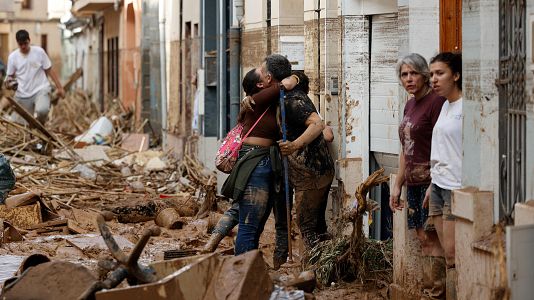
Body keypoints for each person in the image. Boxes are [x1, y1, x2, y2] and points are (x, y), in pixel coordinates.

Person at [220, 55, 294, 260]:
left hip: (265, 164)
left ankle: (248, 272)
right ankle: (240, 273)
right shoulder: (255, 101)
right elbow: (285, 84)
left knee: (256, 224)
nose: (263, 72)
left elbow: (287, 84)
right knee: (249, 224)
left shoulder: (269, 101)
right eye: (261, 72)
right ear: (262, 82)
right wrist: (292, 79)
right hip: (255, 164)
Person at [389, 53, 446, 297]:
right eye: (404, 74)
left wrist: (435, 183)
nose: (409, 79)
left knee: (433, 238)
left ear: (424, 75)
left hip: (431, 182)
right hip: (412, 182)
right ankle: (428, 290)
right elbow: (405, 149)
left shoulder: (436, 103)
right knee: (423, 238)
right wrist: (397, 185)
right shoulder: (409, 104)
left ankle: (436, 293)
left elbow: (444, 146)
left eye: (414, 73)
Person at [277, 70, 335, 252]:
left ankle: (319, 269)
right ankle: (330, 268)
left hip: (310, 174)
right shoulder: (303, 100)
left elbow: (323, 130)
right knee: (318, 225)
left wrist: (295, 145)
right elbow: (326, 134)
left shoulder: (293, 102)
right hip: (320, 171)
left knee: (307, 227)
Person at [428, 51, 463, 296]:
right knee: (445, 254)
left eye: (440, 73)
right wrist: (432, 184)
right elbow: (441, 150)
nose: (434, 79)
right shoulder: (445, 106)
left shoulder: (467, 106)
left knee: (453, 252)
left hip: (456, 187)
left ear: (457, 75)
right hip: (439, 186)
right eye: (431, 74)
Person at [5, 29, 65, 125]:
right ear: (17, 43)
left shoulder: (39, 52)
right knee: (23, 124)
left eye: (25, 43)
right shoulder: (13, 57)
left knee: (42, 110)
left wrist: (60, 88)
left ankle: (40, 126)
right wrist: (9, 84)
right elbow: (9, 77)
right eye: (21, 44)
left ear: (29, 40)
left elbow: (49, 70)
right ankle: (35, 133)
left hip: (40, 89)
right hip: (22, 94)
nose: (23, 46)